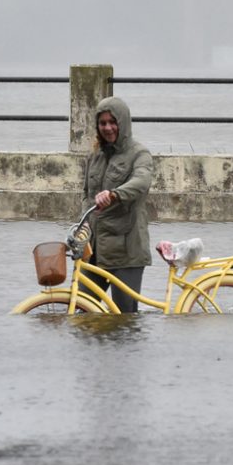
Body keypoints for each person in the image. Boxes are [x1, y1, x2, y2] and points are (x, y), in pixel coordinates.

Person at [79, 96, 154, 312]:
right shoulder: (95, 156)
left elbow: (142, 182)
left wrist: (114, 194)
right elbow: (86, 194)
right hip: (94, 251)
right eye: (103, 123)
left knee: (124, 317)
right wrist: (83, 222)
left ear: (123, 123)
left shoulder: (139, 154)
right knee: (83, 312)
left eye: (113, 122)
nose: (108, 128)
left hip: (126, 251)